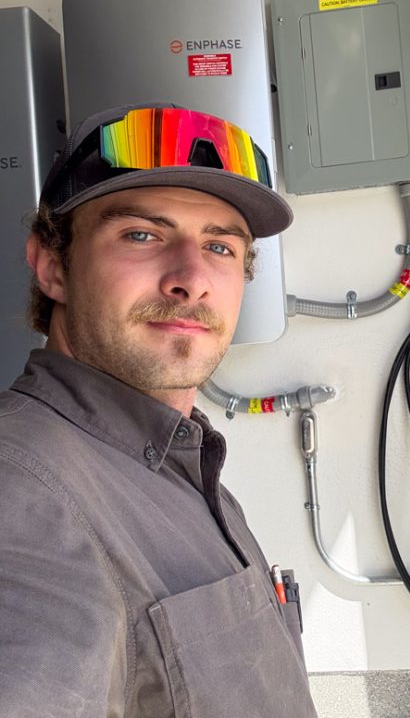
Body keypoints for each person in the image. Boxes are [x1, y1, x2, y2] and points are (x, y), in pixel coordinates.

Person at [0, 104, 318, 717]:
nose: (192, 278)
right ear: (51, 266)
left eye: (221, 247)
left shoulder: (189, 470)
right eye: (142, 235)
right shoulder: (20, 489)